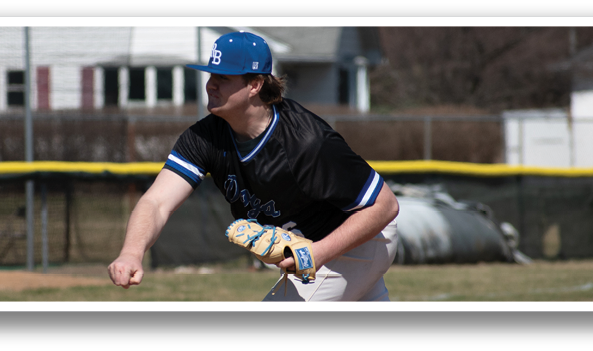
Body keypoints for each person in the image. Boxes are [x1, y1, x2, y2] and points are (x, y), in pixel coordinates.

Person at [107, 31, 399, 301]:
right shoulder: (204, 137)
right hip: (321, 246)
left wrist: (318, 252)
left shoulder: (306, 141)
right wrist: (131, 252)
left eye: (223, 77)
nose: (210, 84)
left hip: (359, 240)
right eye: (211, 74)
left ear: (255, 85)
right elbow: (157, 202)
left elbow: (384, 205)